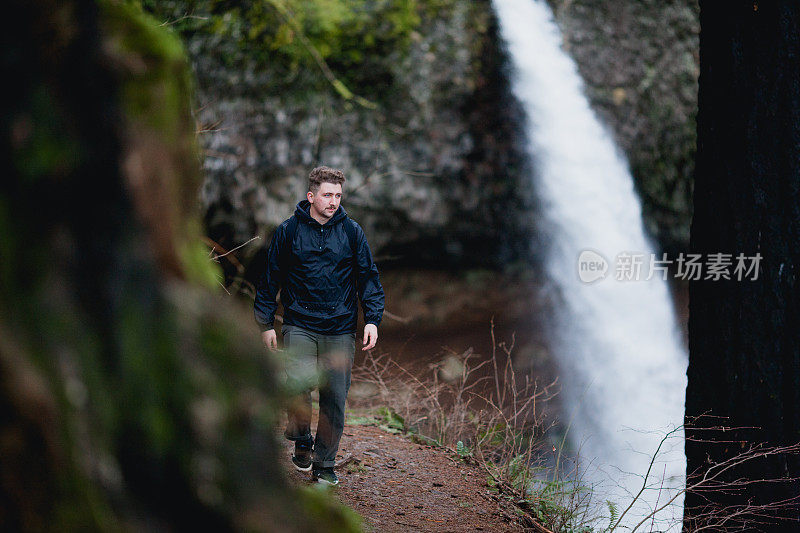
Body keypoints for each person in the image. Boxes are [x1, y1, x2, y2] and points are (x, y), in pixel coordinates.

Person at [254, 166, 385, 485]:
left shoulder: (352, 231)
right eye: (327, 195)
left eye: (338, 195)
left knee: (335, 397)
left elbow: (367, 276)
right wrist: (265, 323)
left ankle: (324, 465)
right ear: (310, 196)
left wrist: (372, 319)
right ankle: (301, 438)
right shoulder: (288, 231)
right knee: (297, 386)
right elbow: (270, 278)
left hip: (340, 328)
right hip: (299, 323)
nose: (334, 201)